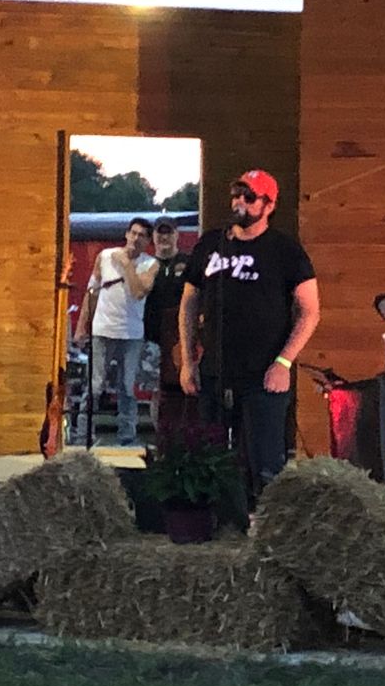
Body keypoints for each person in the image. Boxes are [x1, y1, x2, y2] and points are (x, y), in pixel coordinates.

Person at [179, 169, 319, 496]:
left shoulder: (285, 251)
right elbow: (189, 302)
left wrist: (284, 363)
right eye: (237, 194)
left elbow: (310, 311)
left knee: (265, 461)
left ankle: (266, 517)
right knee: (211, 457)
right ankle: (221, 516)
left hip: (263, 373)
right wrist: (188, 360)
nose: (240, 201)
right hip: (215, 369)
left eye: (250, 197)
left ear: (269, 206)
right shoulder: (211, 244)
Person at [73, 217, 159, 446]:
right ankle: (83, 435)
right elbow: (92, 292)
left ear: (147, 241)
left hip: (131, 335)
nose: (136, 239)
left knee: (127, 388)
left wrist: (127, 264)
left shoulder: (150, 264)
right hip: (102, 330)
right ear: (126, 234)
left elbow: (138, 292)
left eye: (142, 236)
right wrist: (81, 326)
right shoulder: (104, 256)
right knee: (94, 386)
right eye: (133, 233)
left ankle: (127, 437)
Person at [142, 216, 189, 428]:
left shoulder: (188, 263)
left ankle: (182, 434)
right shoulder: (145, 265)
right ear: (153, 237)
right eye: (160, 233)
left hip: (181, 339)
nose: (164, 237)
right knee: (156, 390)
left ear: (177, 235)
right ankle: (159, 433)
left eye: (168, 232)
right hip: (152, 338)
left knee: (183, 387)